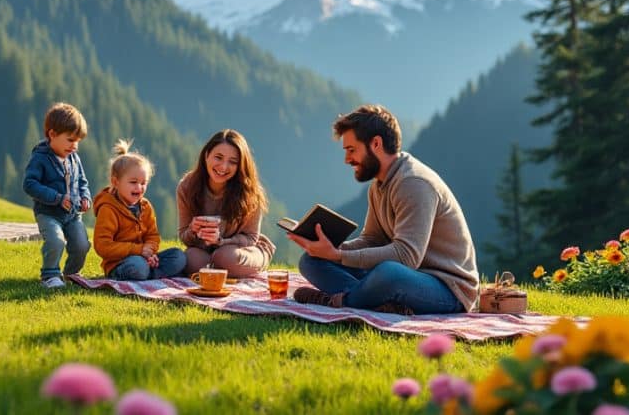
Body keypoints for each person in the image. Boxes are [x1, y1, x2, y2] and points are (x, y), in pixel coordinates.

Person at [288, 104, 480, 314]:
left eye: (352, 150)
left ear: (376, 144)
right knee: (311, 261)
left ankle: (335, 302)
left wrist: (338, 256)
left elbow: (407, 256)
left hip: (447, 289)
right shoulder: (379, 184)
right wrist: (331, 250)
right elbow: (372, 239)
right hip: (408, 277)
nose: (347, 159)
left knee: (388, 274)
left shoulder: (413, 183)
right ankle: (375, 302)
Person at [176, 129, 276, 277]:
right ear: (206, 155)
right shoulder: (187, 187)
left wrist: (221, 241)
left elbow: (251, 238)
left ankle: (249, 265)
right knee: (191, 260)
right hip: (205, 250)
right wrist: (192, 230)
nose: (223, 167)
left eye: (233, 162)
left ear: (240, 166)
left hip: (243, 249)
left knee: (225, 258)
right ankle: (220, 271)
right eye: (218, 157)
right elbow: (184, 237)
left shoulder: (249, 191)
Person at [93, 139, 186, 281]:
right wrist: (138, 251)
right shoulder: (108, 209)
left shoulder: (146, 206)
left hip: (144, 259)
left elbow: (152, 235)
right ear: (115, 182)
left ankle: (149, 273)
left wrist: (150, 251)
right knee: (138, 266)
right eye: (133, 182)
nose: (139, 187)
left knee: (178, 256)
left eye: (144, 183)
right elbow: (103, 246)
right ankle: (148, 274)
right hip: (120, 264)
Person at [22, 102, 92, 289]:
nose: (74, 146)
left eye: (77, 141)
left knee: (82, 244)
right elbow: (29, 185)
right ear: (52, 134)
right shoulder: (40, 158)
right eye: (70, 140)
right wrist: (57, 197)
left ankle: (71, 274)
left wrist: (85, 197)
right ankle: (50, 275)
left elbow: (82, 182)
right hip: (49, 213)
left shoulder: (73, 158)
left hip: (72, 214)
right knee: (56, 241)